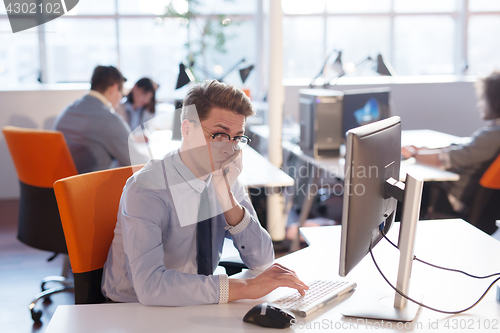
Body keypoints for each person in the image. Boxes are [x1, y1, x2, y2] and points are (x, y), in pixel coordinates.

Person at [102, 80, 309, 306]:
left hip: (195, 300)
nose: (229, 148)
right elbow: (151, 287)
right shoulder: (147, 188)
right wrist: (247, 287)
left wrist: (225, 196)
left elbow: (262, 259)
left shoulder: (225, 176)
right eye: (219, 134)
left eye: (237, 137)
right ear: (187, 129)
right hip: (133, 309)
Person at [402, 71, 500, 218]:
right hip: (461, 196)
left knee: (401, 196)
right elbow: (464, 148)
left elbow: (447, 159)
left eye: (482, 99)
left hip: (453, 199)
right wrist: (424, 150)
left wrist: (414, 154)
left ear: (495, 101)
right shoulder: (493, 132)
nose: (479, 105)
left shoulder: (493, 136)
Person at [54, 65, 142, 174]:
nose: (120, 99)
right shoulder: (109, 119)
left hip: (64, 185)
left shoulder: (67, 111)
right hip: (93, 187)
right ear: (113, 89)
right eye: (121, 94)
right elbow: (139, 164)